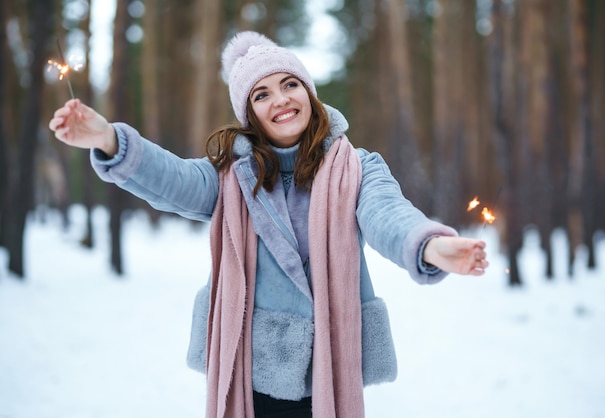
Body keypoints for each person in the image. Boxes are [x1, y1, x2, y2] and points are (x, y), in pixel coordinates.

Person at [49, 31, 489, 418]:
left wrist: (428, 245)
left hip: (328, 365)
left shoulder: (357, 167)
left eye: (290, 84)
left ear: (309, 94)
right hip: (249, 368)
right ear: (250, 114)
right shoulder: (229, 177)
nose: (280, 99)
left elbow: (386, 214)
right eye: (261, 94)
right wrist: (108, 140)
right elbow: (172, 179)